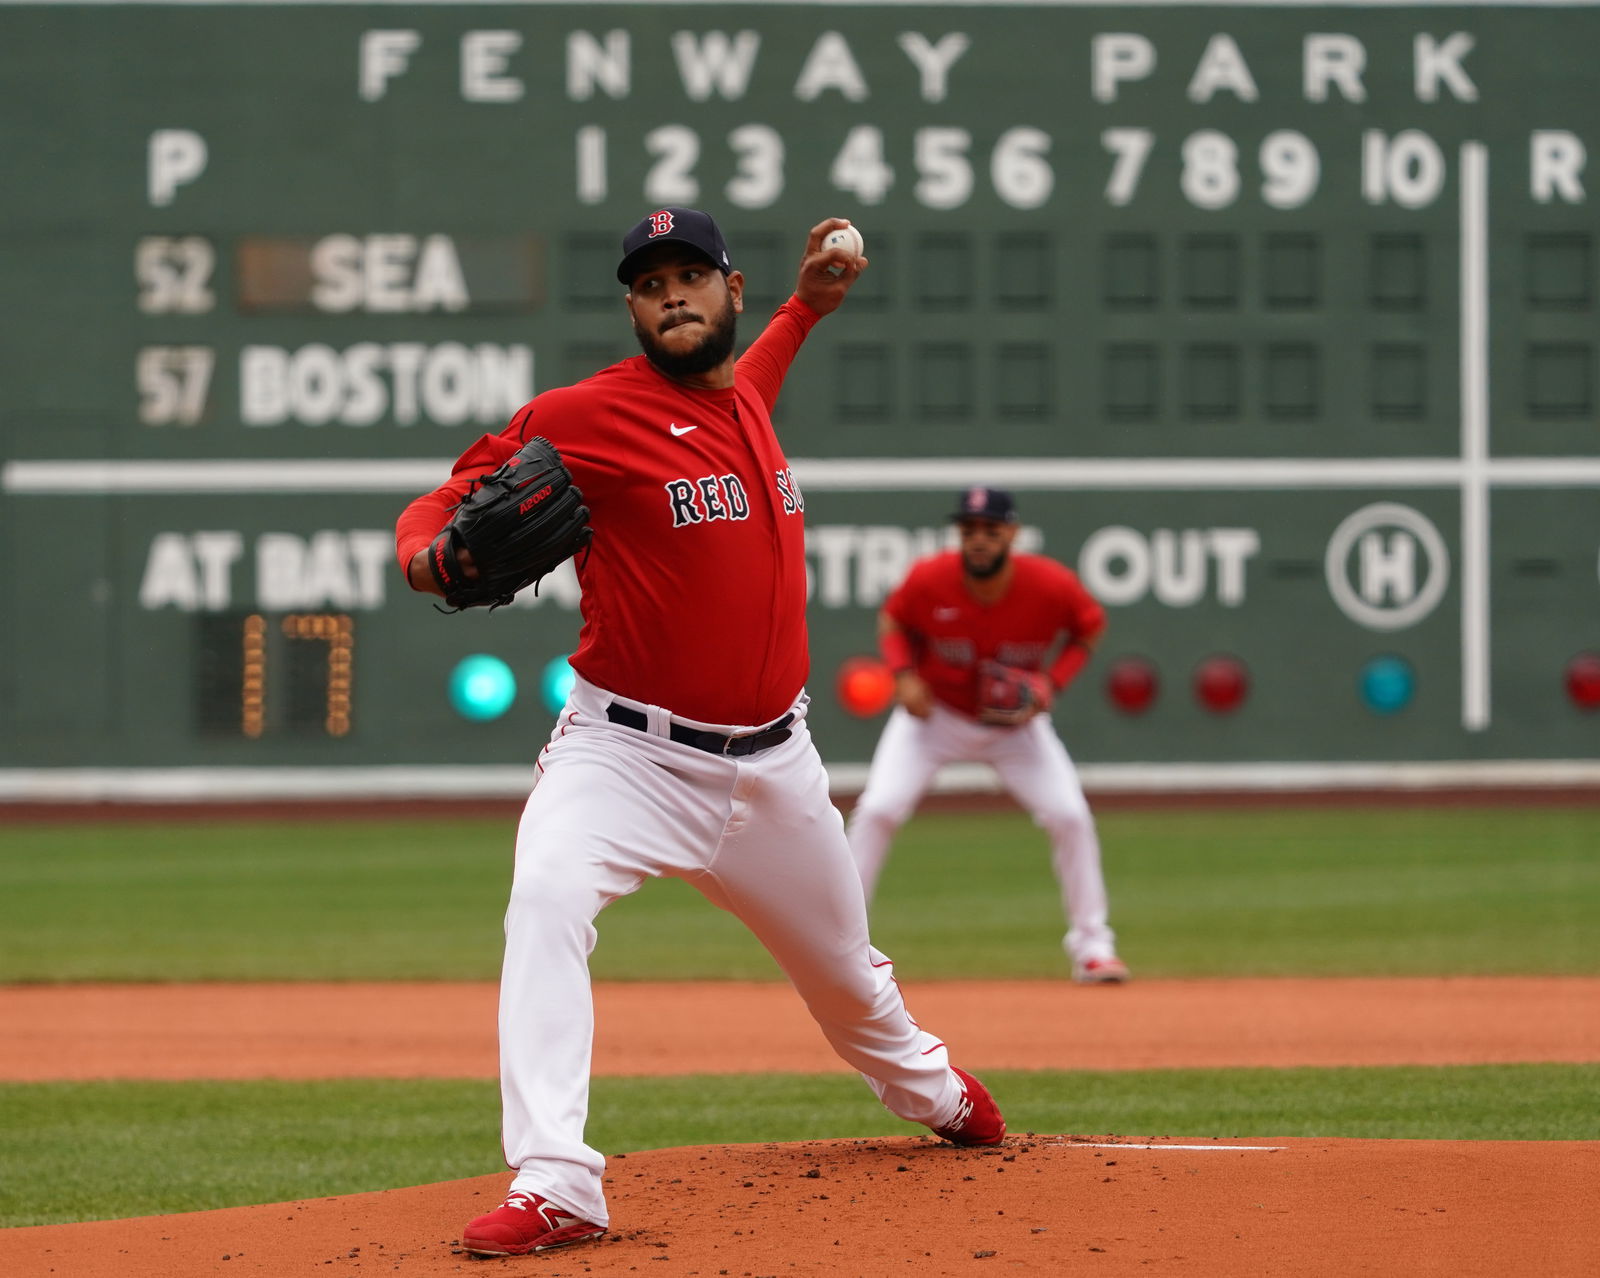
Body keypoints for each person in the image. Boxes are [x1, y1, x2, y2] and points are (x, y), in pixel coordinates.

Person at [394, 208, 1004, 1258]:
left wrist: (808, 307)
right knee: (543, 897)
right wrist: (421, 555)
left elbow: (752, 372)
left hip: (776, 766)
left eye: (689, 275)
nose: (670, 294)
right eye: (648, 283)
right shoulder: (584, 416)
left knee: (847, 978)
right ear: (632, 307)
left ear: (727, 287)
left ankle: (933, 1091)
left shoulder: (746, 401)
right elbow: (450, 493)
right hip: (623, 752)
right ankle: (557, 1182)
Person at [845, 486, 1130, 985]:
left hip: (1015, 726)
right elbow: (893, 619)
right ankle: (838, 944)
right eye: (969, 530)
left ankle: (1094, 947)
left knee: (1069, 815)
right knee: (879, 809)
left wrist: (1054, 681)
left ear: (1011, 534)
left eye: (990, 530)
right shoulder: (931, 578)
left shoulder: (1049, 585)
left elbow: (1091, 627)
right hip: (935, 719)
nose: (978, 539)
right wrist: (903, 673)